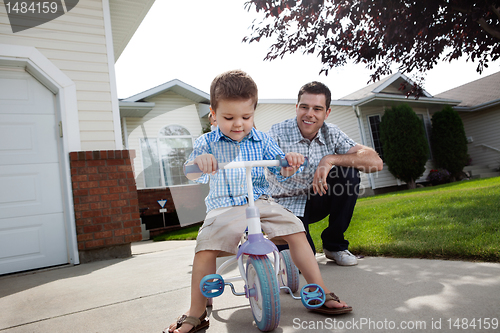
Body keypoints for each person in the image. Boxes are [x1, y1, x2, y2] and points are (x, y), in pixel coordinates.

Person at [165, 71, 352, 333]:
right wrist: (200, 163)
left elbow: (282, 168)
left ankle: (319, 290)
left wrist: (290, 162)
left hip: (260, 201)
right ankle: (196, 311)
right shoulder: (206, 142)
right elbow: (191, 172)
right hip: (224, 206)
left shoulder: (262, 139)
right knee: (205, 247)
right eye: (229, 118)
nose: (238, 124)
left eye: (246, 117)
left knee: (296, 229)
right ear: (214, 115)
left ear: (254, 113)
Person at [267, 81, 383, 266]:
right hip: (286, 206)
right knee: (302, 263)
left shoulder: (332, 133)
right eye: (304, 107)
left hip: (318, 199)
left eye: (317, 109)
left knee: (349, 173)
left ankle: (335, 245)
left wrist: (330, 159)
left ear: (326, 113)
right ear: (296, 108)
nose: (309, 114)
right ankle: (275, 241)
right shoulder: (277, 133)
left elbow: (375, 162)